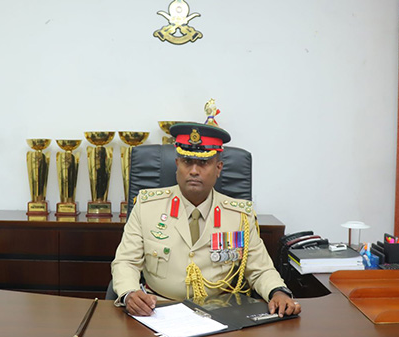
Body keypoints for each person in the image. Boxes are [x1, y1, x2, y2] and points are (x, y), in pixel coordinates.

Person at [111, 122, 301, 318]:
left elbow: (260, 270)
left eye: (203, 163)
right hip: (157, 309)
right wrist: (130, 293)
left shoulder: (239, 216)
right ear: (177, 165)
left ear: (218, 168)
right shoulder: (147, 207)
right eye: (187, 162)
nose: (194, 171)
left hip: (221, 312)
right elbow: (126, 262)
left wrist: (278, 292)